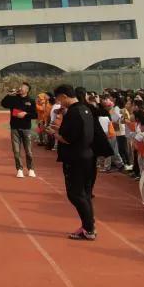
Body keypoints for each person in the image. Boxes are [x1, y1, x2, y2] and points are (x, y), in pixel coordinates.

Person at [54, 85, 98, 241]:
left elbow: (68, 138)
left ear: (64, 96)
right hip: (88, 156)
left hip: (75, 158)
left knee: (75, 194)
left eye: (59, 99)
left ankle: (88, 228)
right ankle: (89, 225)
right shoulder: (86, 109)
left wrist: (54, 133)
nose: (58, 103)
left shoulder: (73, 113)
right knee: (84, 194)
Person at [0, 82, 39, 178]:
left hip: (26, 128)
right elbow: (3, 104)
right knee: (16, 151)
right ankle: (20, 169)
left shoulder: (31, 100)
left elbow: (35, 115)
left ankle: (31, 169)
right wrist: (9, 95)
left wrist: (25, 114)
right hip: (14, 128)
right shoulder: (13, 99)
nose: (20, 88)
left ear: (27, 90)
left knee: (28, 151)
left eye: (22, 87)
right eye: (20, 87)